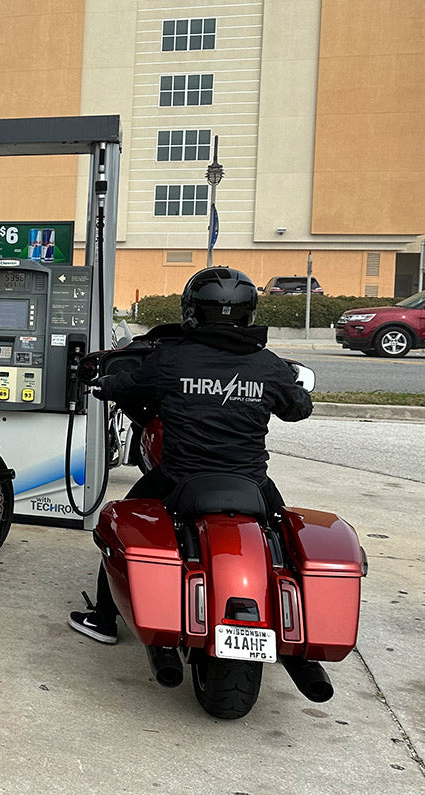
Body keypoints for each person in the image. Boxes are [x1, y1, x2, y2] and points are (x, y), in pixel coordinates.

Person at [69, 267, 313, 644]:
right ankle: (296, 624)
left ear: (193, 310)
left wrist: (101, 384)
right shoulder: (268, 365)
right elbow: (298, 408)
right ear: (250, 311)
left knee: (116, 532)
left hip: (179, 477)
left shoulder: (173, 359)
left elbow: (128, 384)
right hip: (251, 481)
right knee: (284, 537)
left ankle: (103, 619)